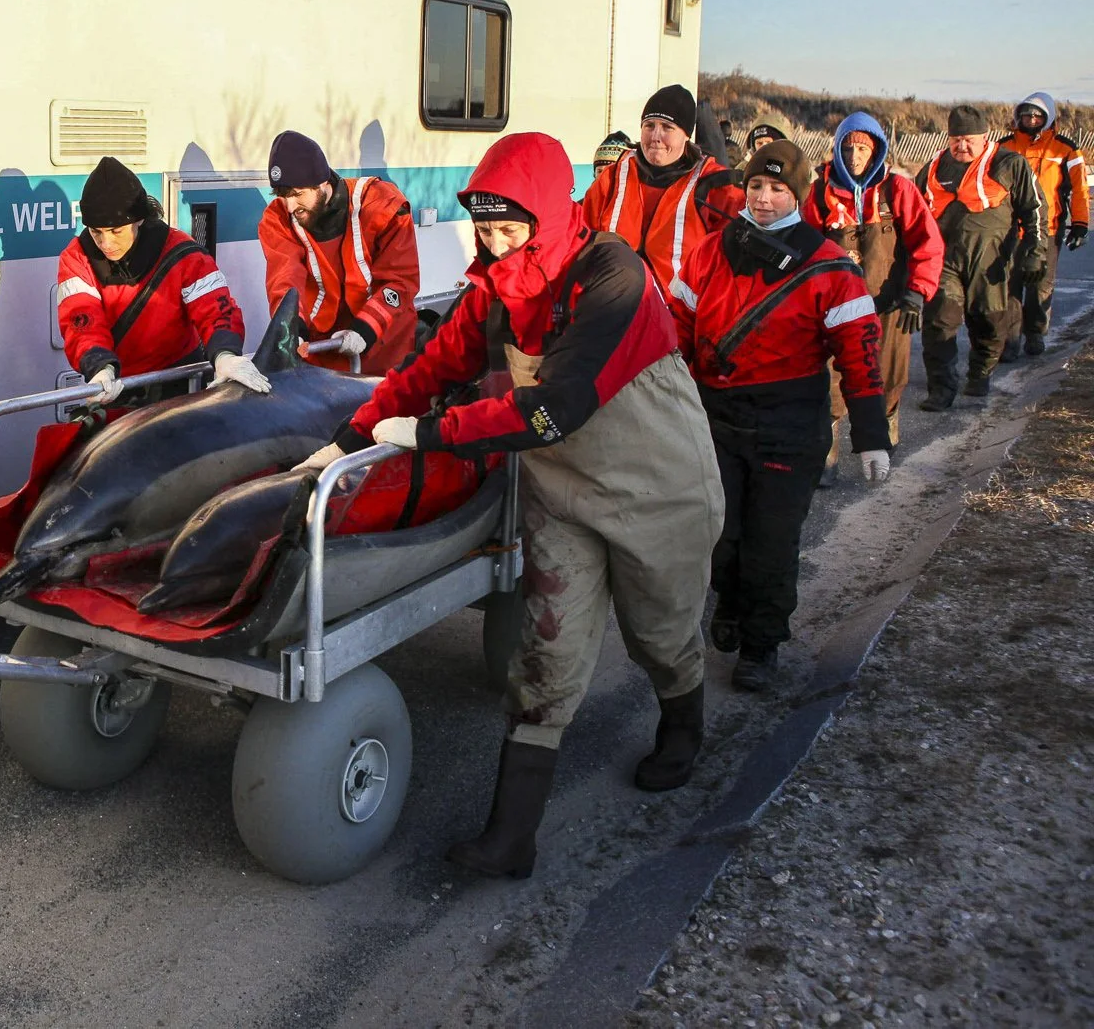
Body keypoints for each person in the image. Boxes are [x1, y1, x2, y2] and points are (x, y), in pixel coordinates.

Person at [296, 132, 723, 879]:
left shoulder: (611, 278)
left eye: (508, 229)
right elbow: (433, 366)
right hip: (560, 490)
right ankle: (511, 836)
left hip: (654, 478)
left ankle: (683, 724)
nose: (492, 245)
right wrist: (349, 438)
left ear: (549, 218)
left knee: (660, 626)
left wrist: (430, 436)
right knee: (546, 647)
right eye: (484, 229)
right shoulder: (494, 286)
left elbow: (556, 409)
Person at [668, 140, 892, 692]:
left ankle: (761, 645)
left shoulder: (830, 267)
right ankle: (731, 600)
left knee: (770, 542)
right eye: (755, 187)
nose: (764, 199)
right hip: (717, 419)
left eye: (777, 189)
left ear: (799, 194)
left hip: (789, 428)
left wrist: (870, 437)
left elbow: (860, 357)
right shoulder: (709, 252)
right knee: (720, 534)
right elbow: (675, 330)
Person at [57, 155, 267, 404]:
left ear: (139, 220)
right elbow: (81, 321)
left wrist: (225, 355)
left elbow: (215, 308)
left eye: (116, 231)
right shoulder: (76, 257)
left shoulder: (183, 253)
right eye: (96, 232)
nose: (106, 243)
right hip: (112, 385)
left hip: (178, 385)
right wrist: (99, 367)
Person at [805, 112, 945, 454]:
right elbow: (803, 248)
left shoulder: (897, 190)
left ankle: (885, 429)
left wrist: (917, 292)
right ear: (837, 149)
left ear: (877, 151)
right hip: (835, 310)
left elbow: (927, 243)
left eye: (863, 149)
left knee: (888, 375)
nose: (854, 157)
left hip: (890, 303)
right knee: (831, 381)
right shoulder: (821, 192)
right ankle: (828, 447)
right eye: (848, 148)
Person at [256, 129, 421, 374]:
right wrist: (292, 330)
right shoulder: (277, 219)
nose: (290, 206)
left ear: (322, 183)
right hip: (322, 350)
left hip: (384, 347)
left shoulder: (383, 206)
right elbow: (285, 278)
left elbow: (399, 281)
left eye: (297, 194)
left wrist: (365, 329)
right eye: (282, 196)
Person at [916, 104, 1044, 408]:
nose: (961, 146)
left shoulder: (1009, 163)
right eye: (955, 140)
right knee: (940, 321)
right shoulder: (936, 167)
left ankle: (980, 372)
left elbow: (1034, 210)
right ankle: (941, 389)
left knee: (989, 321)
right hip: (944, 260)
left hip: (991, 262)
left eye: (969, 140)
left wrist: (1035, 253)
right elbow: (913, 210)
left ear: (985, 137)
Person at [580, 83, 743, 302]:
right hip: (613, 310)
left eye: (667, 127)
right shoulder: (611, 179)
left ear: (686, 135)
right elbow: (580, 240)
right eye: (649, 125)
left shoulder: (715, 186)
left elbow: (734, 265)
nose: (656, 136)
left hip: (677, 320)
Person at [997, 91, 1087, 357]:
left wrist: (1081, 223)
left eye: (1038, 116)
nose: (1032, 120)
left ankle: (1035, 333)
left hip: (1048, 228)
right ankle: (1009, 340)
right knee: (1009, 284)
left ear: (1048, 118)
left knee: (1040, 285)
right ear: (1018, 117)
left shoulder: (1066, 149)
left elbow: (1080, 189)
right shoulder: (1004, 147)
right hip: (1010, 229)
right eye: (1027, 115)